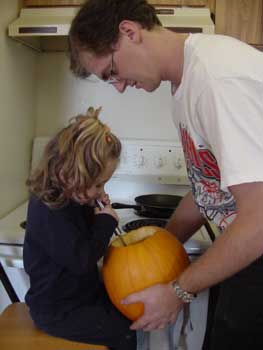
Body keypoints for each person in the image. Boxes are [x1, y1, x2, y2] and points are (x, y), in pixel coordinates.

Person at [68, 1, 263, 349]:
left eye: (110, 71)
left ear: (129, 32)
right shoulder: (184, 87)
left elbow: (260, 218)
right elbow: (209, 187)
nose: (118, 86)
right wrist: (159, 249)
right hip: (244, 251)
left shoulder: (217, 80)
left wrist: (177, 290)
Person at [23, 107, 137, 350]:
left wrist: (95, 211)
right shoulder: (48, 209)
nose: (101, 191)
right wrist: (106, 223)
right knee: (122, 331)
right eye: (97, 184)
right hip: (57, 311)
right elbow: (82, 258)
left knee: (128, 310)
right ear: (69, 173)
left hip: (81, 296)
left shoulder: (73, 197)